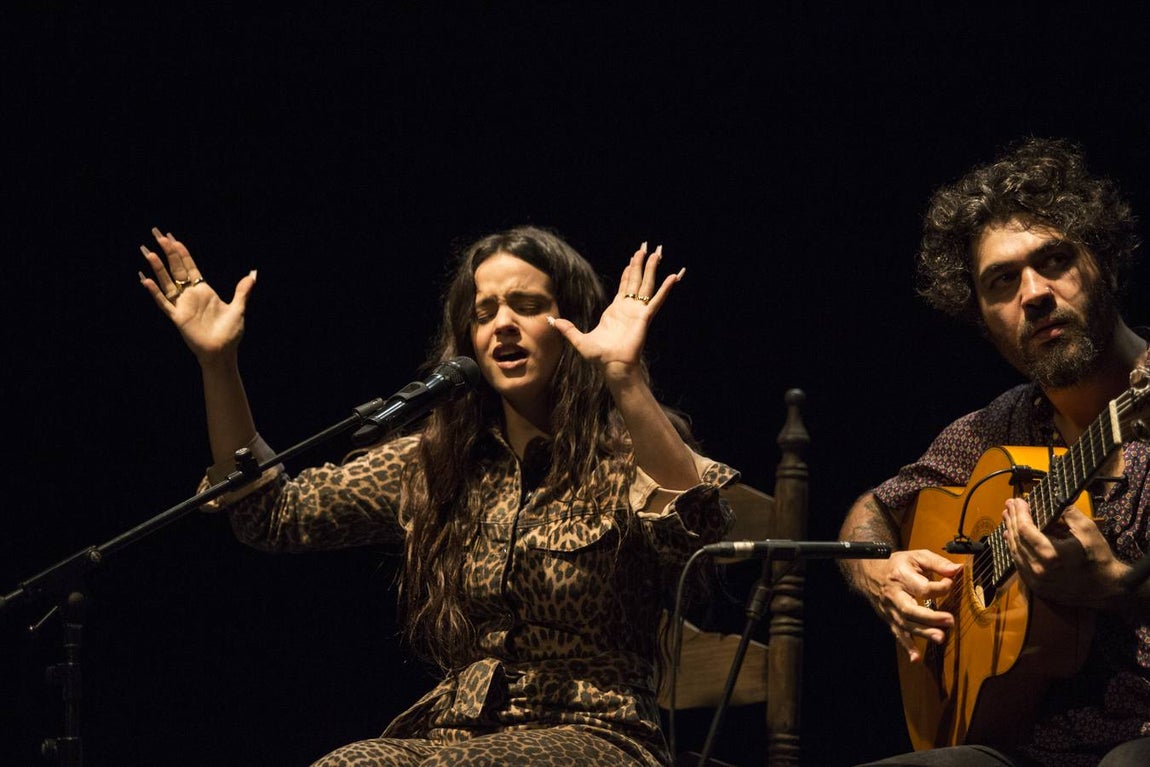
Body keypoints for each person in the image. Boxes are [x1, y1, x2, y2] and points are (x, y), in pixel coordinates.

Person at [137, 224, 738, 767]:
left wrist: (624, 379)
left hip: (597, 734)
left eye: (527, 306)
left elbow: (701, 530)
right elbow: (274, 514)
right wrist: (219, 364)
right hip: (456, 735)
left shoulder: (624, 456)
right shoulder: (437, 462)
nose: (503, 323)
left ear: (572, 324)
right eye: (485, 312)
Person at [838, 138, 1150, 767]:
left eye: (1055, 260)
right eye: (1002, 282)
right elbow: (874, 508)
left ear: (1107, 264)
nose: (1033, 294)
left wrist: (1121, 589)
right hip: (1020, 744)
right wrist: (879, 574)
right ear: (982, 316)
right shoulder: (997, 429)